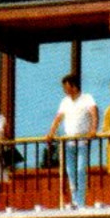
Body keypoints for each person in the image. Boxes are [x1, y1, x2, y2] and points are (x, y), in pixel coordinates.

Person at [45, 73, 98, 208]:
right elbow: (58, 118)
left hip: (82, 141)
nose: (65, 90)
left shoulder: (87, 98)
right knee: (70, 171)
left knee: (80, 170)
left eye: (66, 87)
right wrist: (51, 133)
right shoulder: (65, 101)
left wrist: (93, 130)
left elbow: (94, 113)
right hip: (68, 142)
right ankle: (75, 200)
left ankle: (81, 202)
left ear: (74, 86)